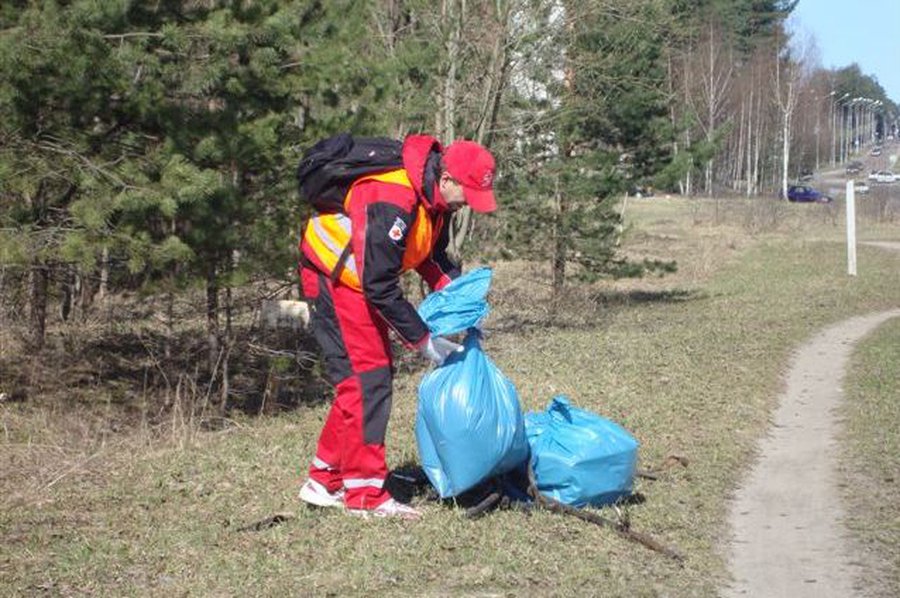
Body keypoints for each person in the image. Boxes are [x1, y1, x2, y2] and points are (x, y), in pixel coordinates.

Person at [297, 134, 497, 518]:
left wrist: (462, 304)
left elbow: (430, 256)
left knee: (366, 380)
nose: (467, 204)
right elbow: (379, 285)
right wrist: (423, 341)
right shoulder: (393, 197)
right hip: (334, 278)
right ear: (448, 178)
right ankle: (366, 494)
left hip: (361, 282)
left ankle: (325, 480)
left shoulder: (434, 200)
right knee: (367, 381)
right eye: (467, 194)